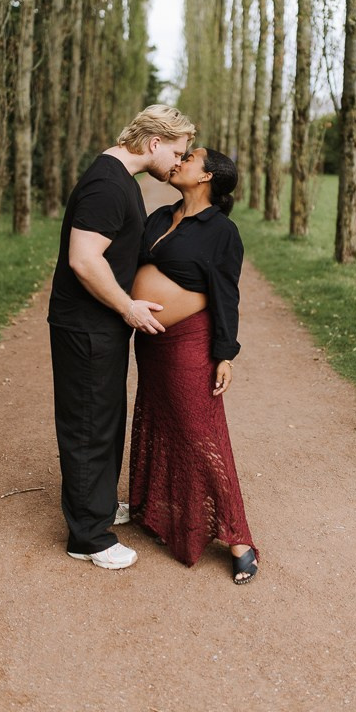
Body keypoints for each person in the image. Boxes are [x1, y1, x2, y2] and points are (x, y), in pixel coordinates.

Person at [47, 105, 196, 570]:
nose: (178, 162)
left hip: (99, 326)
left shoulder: (118, 179)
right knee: (89, 424)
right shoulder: (107, 184)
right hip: (86, 326)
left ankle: (98, 506)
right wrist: (127, 306)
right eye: (177, 151)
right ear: (154, 143)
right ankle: (88, 537)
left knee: (105, 416)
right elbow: (84, 259)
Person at [129, 147, 259, 584]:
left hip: (191, 343)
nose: (180, 160)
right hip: (152, 346)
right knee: (160, 422)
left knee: (199, 432)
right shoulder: (160, 216)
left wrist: (225, 354)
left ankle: (239, 537)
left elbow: (226, 294)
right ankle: (161, 513)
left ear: (207, 177)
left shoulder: (222, 231)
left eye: (190, 157)